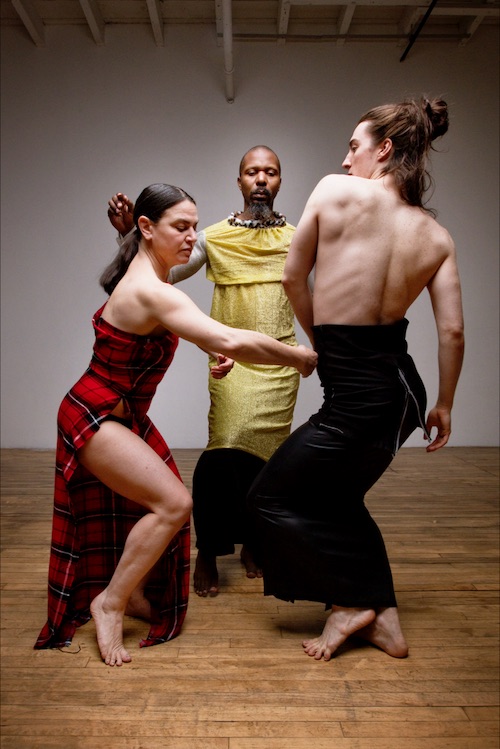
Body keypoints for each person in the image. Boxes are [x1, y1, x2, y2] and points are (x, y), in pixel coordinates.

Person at [35, 183, 317, 667]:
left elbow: (180, 330)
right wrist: (298, 357)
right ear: (147, 228)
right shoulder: (150, 288)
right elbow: (226, 333)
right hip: (95, 414)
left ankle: (137, 595)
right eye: (180, 227)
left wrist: (211, 350)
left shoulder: (153, 280)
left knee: (148, 504)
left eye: (194, 225)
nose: (192, 237)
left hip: (122, 414)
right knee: (174, 503)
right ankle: (110, 602)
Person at [247, 97, 465, 662]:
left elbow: (293, 276)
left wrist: (320, 341)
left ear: (384, 149)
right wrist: (442, 404)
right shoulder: (435, 237)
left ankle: (348, 603)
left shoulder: (333, 191)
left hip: (360, 394)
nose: (346, 161)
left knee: (268, 497)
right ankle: (384, 616)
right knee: (341, 498)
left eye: (354, 146)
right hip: (405, 393)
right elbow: (453, 333)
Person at [107, 146, 300, 597]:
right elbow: (159, 279)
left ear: (279, 181)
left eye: (269, 172)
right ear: (238, 181)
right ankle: (210, 552)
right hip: (231, 361)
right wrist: (131, 238)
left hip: (278, 363)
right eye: (251, 171)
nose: (260, 179)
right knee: (224, 453)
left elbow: (313, 295)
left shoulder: (296, 238)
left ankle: (254, 542)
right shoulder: (213, 237)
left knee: (268, 464)